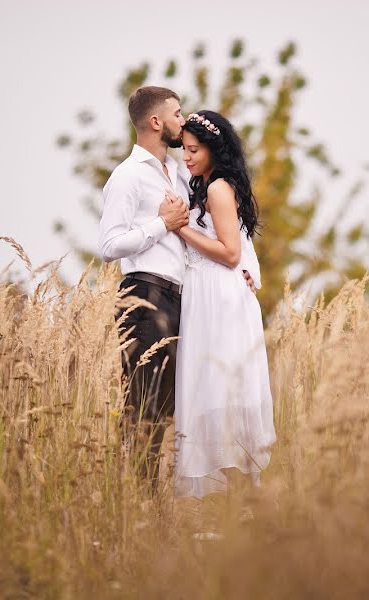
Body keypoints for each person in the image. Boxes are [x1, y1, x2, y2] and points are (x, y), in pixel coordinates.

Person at [98, 88, 255, 487]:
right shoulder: (128, 176)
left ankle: (155, 501)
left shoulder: (180, 172)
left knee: (170, 408)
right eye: (176, 113)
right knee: (143, 406)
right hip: (145, 295)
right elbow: (108, 246)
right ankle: (137, 504)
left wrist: (245, 271)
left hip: (185, 301)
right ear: (156, 122)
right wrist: (161, 226)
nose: (182, 120)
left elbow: (222, 230)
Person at [169, 110, 276, 498]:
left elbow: (231, 253)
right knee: (213, 394)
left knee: (217, 392)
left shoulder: (216, 189)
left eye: (194, 150)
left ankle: (246, 498)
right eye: (184, 149)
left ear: (214, 149)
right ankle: (239, 500)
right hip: (209, 295)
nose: (187, 157)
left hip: (218, 296)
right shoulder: (207, 185)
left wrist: (180, 229)